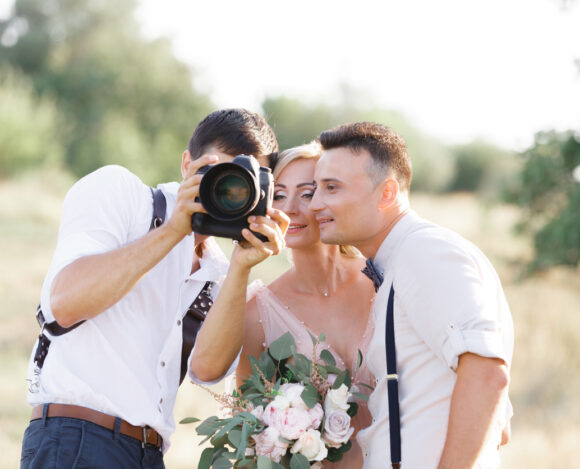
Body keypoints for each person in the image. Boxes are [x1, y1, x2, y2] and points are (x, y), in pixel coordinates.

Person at [20, 108, 289, 469]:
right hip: (77, 438)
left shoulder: (220, 273)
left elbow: (207, 372)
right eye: (220, 174)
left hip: (148, 454)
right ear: (186, 164)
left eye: (242, 184)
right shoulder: (122, 194)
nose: (227, 191)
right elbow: (65, 302)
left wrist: (242, 265)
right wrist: (173, 231)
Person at [309, 122, 514, 469]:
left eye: (331, 188)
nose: (315, 203)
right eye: (316, 188)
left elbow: (487, 375)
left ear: (387, 192)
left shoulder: (426, 252)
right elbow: (502, 426)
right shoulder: (402, 260)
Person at [236, 141, 376, 468]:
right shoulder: (259, 312)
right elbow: (249, 424)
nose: (291, 209)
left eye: (307, 192)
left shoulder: (382, 281)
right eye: (279, 196)